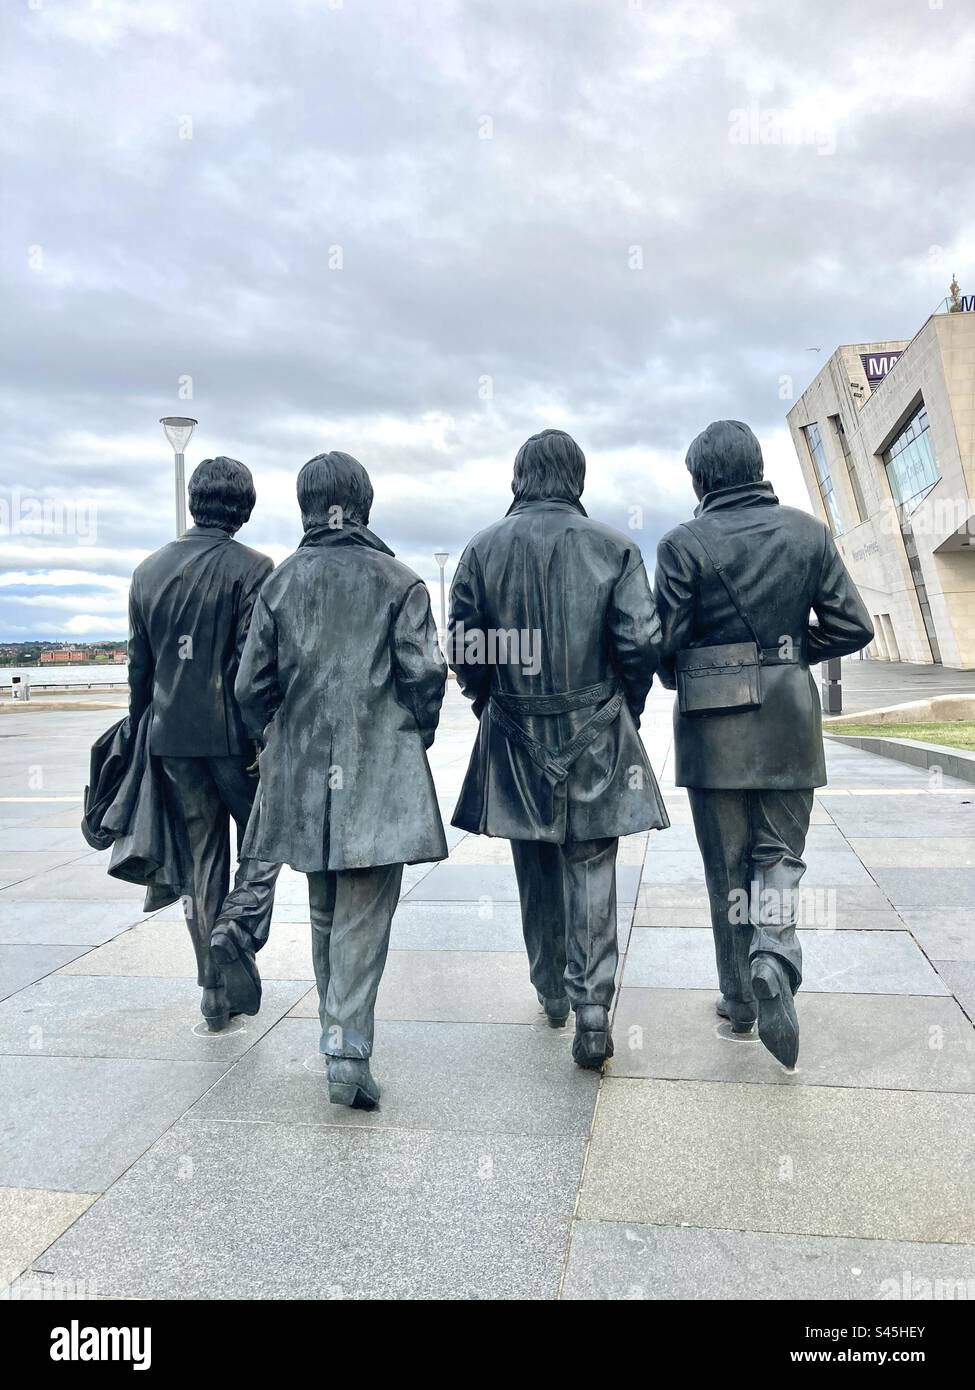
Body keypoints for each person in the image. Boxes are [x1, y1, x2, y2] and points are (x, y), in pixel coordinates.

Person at [653, 420, 874, 1067]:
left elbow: (661, 643)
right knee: (777, 854)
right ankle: (772, 951)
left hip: (709, 723)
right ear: (756, 468)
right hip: (786, 716)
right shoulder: (807, 533)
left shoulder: (681, 544)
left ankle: (739, 1000)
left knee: (725, 866)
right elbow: (852, 624)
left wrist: (690, 670)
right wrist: (788, 653)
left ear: (701, 479)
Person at [448, 429, 668, 1070]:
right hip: (597, 726)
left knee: (534, 865)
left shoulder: (482, 548)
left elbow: (465, 644)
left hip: (516, 731)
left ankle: (550, 990)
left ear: (519, 477)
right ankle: (593, 1006)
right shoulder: (616, 546)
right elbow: (640, 643)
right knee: (593, 862)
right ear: (576, 479)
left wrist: (487, 697)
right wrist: (626, 705)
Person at [235, 451, 447, 1109]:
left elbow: (249, 686)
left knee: (326, 907)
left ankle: (339, 1039)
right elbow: (426, 675)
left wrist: (276, 737)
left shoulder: (279, 585)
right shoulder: (400, 581)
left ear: (305, 508)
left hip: (302, 773)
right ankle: (346, 1051)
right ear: (365, 504)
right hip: (377, 771)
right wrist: (416, 733)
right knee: (360, 912)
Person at [127, 456, 275, 1030]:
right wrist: (265, 735)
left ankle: (214, 990)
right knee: (266, 836)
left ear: (195, 502)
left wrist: (142, 727)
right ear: (245, 506)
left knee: (200, 860)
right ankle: (237, 928)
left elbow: (139, 668)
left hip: (171, 738)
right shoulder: (253, 567)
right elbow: (249, 670)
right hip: (238, 740)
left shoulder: (147, 570)